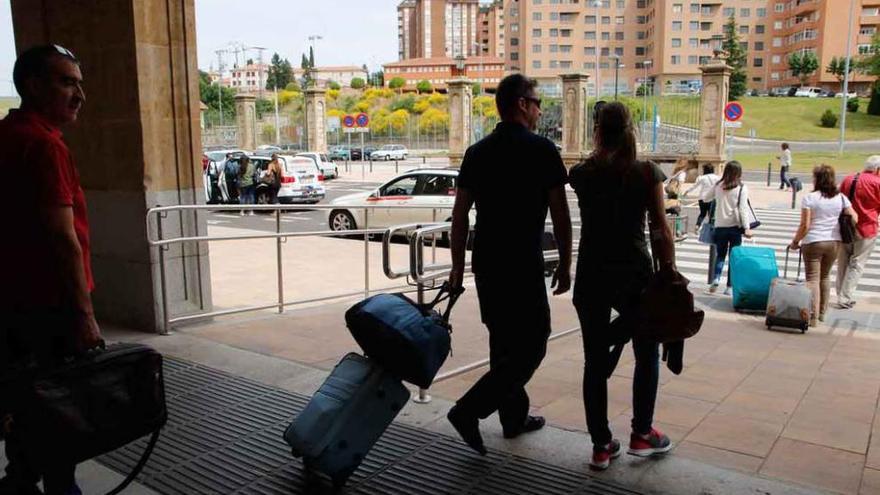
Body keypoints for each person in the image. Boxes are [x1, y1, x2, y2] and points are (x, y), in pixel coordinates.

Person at [447, 74, 573, 455]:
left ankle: (513, 418)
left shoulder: (477, 152)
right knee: (534, 343)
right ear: (521, 104)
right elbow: (561, 214)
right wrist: (566, 263)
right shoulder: (542, 150)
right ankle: (469, 410)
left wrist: (456, 267)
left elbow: (459, 215)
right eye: (536, 103)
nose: (539, 110)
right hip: (522, 264)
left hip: (487, 263)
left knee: (503, 344)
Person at [0, 44, 102, 495]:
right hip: (51, 308)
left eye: (79, 82)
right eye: (66, 82)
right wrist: (84, 316)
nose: (79, 93)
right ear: (32, 86)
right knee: (62, 416)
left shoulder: (6, 134)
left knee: (25, 404)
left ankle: (19, 480)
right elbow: (64, 238)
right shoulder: (44, 145)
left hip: (12, 304)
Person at [569, 102, 676, 470]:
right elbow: (660, 229)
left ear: (597, 130)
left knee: (593, 362)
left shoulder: (581, 173)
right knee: (646, 354)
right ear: (631, 129)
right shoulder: (646, 173)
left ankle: (601, 444)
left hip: (592, 275)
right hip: (635, 275)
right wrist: (669, 272)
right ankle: (642, 434)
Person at [790, 165, 857, 326]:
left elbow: (805, 225)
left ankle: (812, 316)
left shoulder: (810, 198)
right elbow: (854, 217)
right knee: (825, 277)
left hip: (813, 241)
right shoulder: (841, 198)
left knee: (812, 279)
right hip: (834, 242)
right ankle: (822, 313)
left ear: (816, 179)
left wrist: (795, 241)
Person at [836, 156, 880, 309]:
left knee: (843, 261)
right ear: (878, 169)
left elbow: (838, 200)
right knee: (856, 263)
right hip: (866, 228)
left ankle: (839, 294)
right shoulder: (877, 183)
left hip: (845, 227)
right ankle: (845, 297)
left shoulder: (848, 179)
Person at [704, 161, 754, 294]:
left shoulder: (719, 186)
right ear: (739, 173)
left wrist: (715, 187)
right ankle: (729, 287)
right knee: (734, 257)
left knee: (720, 255)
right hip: (735, 227)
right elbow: (743, 209)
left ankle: (716, 278)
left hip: (720, 226)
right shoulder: (742, 188)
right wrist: (747, 228)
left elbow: (705, 198)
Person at [683, 163, 720, 234]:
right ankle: (711, 229)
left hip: (702, 198)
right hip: (712, 198)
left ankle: (697, 226)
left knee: (702, 214)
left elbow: (694, 186)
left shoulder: (701, 178)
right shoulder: (717, 178)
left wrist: (687, 191)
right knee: (711, 215)